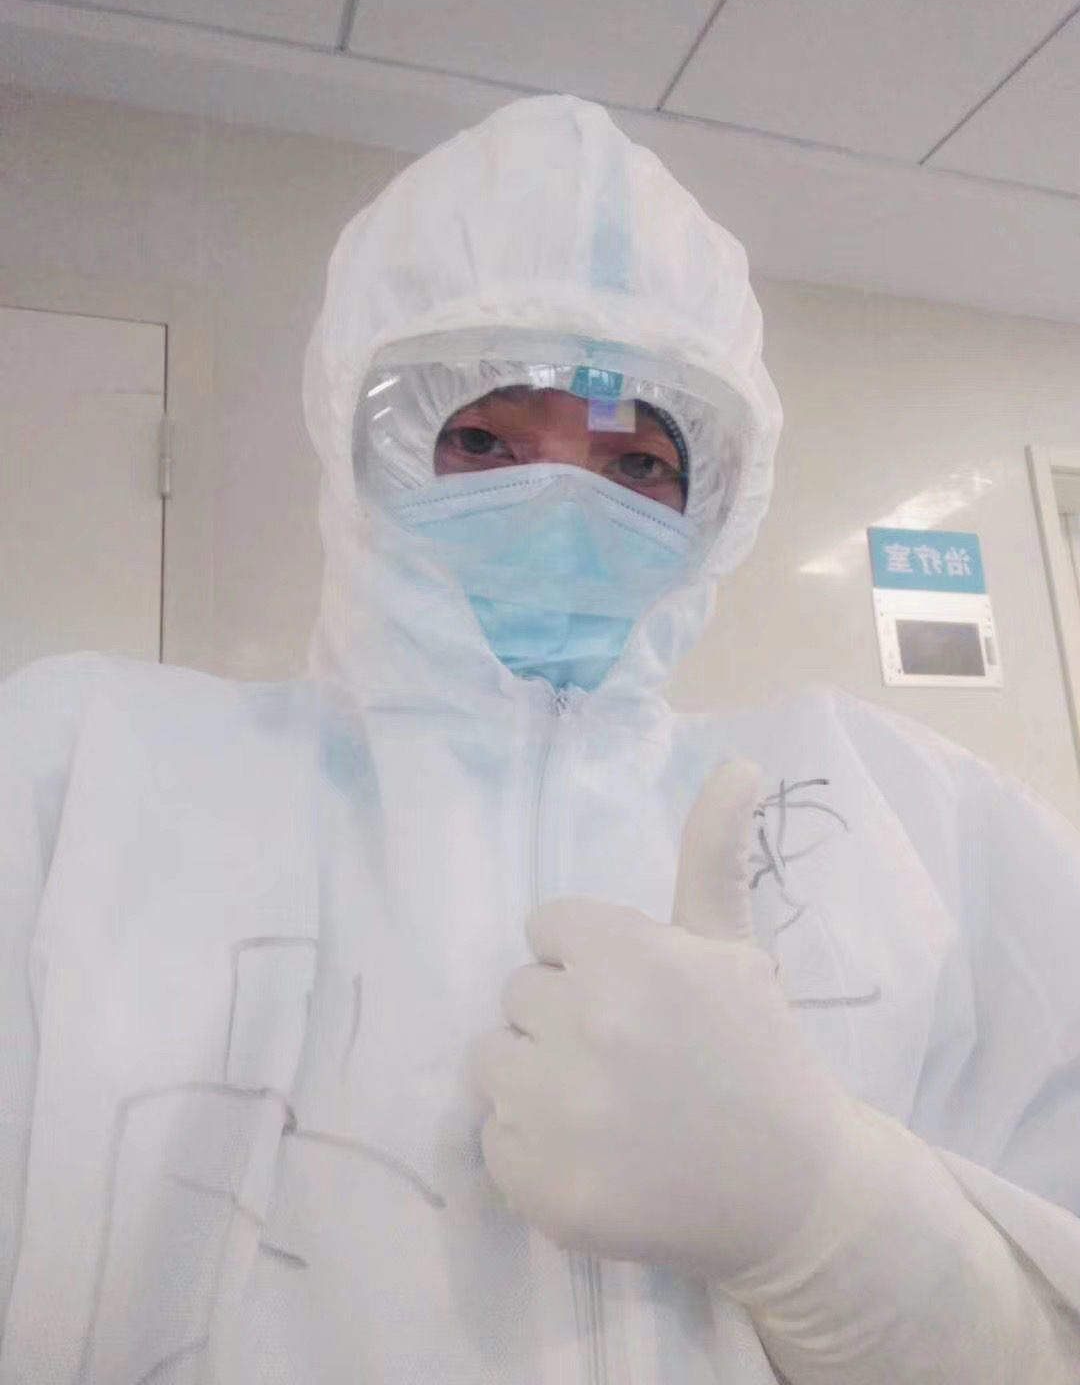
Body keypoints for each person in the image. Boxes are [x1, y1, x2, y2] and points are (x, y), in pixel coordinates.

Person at [1, 94, 1079, 1384]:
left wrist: (836, 1228)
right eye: (484, 440)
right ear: (356, 448)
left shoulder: (907, 826)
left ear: (720, 506)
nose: (562, 506)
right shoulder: (80, 785)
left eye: (638, 468)